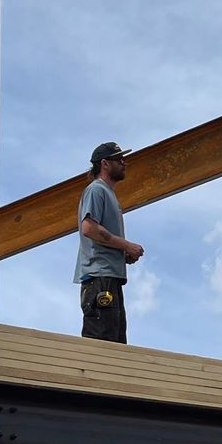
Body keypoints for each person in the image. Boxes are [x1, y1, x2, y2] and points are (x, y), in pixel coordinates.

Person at [77, 141, 144, 343]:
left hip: (107, 277)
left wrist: (121, 254)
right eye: (119, 159)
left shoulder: (108, 194)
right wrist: (126, 245)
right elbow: (89, 228)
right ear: (105, 164)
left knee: (115, 345)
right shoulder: (96, 190)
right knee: (102, 344)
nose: (125, 163)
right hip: (99, 278)